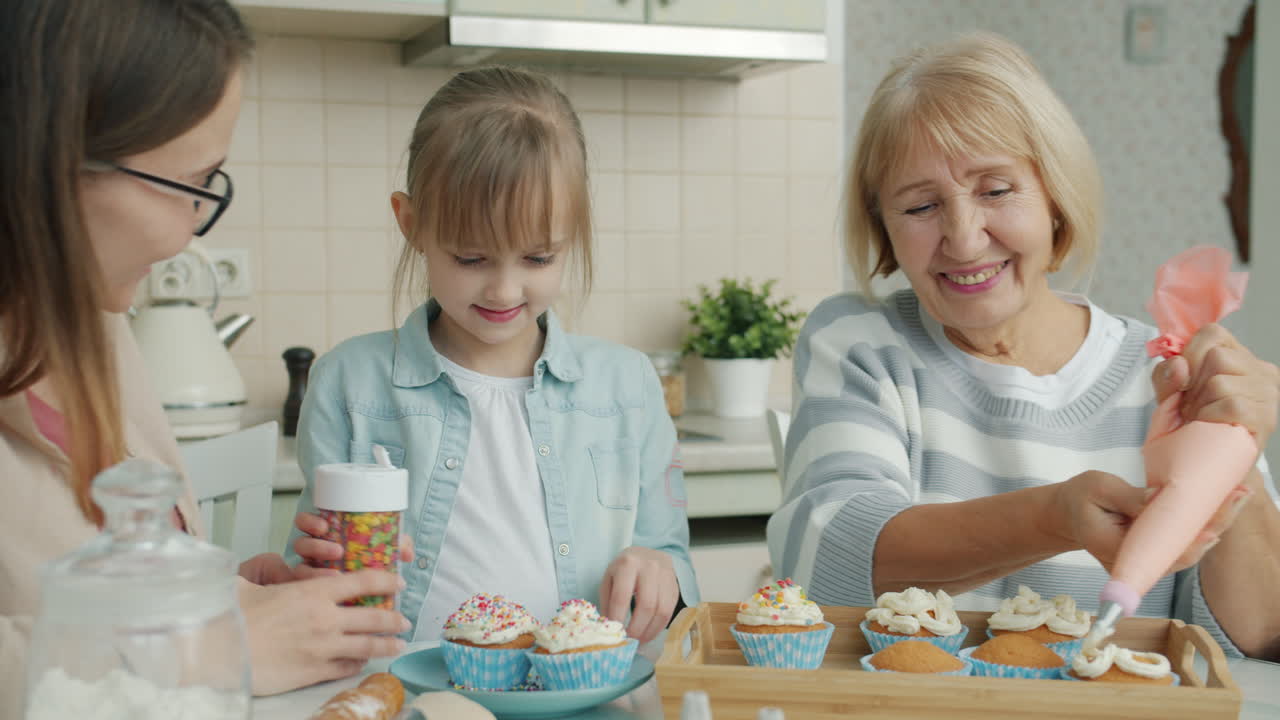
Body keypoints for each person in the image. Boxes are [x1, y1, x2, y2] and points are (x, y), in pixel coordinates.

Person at [768, 33, 1280, 659]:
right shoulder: (860, 344)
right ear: (884, 232)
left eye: (996, 190)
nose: (963, 236)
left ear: (1055, 198)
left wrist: (1236, 449)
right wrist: (1055, 518)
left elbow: (1259, 632)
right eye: (922, 205)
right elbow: (829, 561)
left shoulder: (1165, 371)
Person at [0, 2, 410, 714]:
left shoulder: (93, 328)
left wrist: (238, 595)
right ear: (47, 162)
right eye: (193, 184)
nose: (195, 232)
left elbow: (90, 576)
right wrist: (213, 645)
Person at [284, 66, 698, 642]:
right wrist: (309, 572)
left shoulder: (627, 386)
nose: (504, 291)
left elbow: (670, 560)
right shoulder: (347, 384)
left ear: (572, 233)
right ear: (412, 224)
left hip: (576, 693)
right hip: (405, 691)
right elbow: (315, 592)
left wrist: (661, 570)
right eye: (472, 259)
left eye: (537, 258)